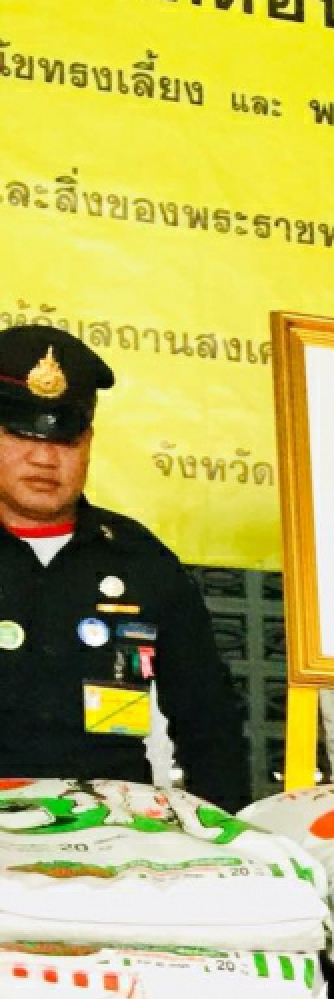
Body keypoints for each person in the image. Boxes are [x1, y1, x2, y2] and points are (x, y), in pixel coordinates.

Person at [0, 326, 249, 808]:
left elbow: (208, 721)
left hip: (114, 828)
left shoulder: (141, 561)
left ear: (89, 441)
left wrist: (226, 841)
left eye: (65, 439)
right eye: (20, 434)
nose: (44, 458)